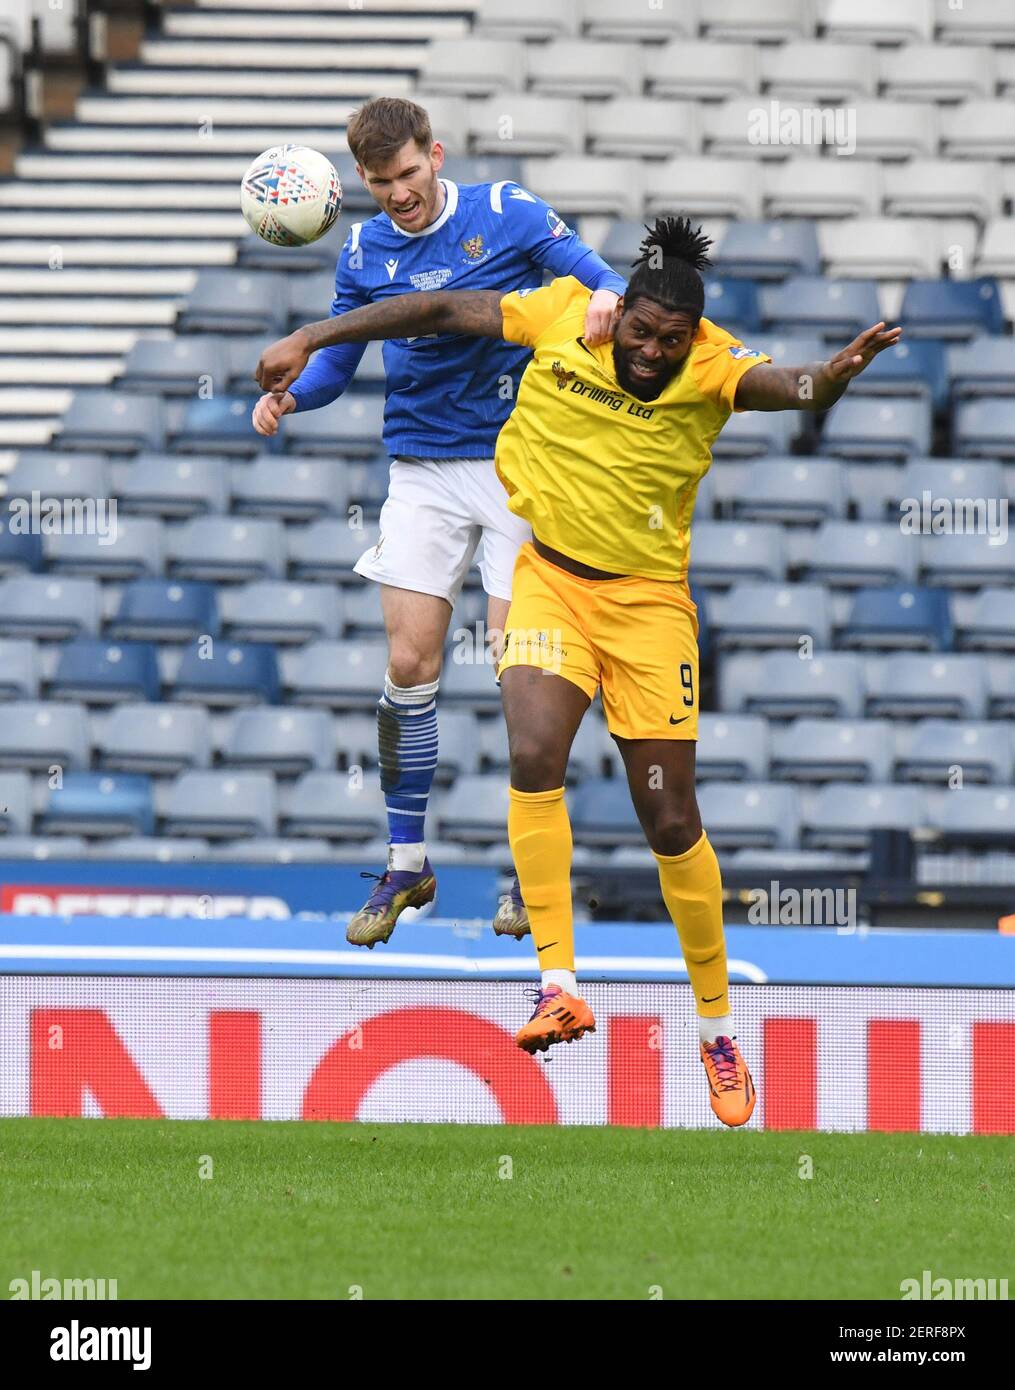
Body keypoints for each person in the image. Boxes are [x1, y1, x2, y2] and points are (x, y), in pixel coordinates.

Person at [256, 216, 902, 1127]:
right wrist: (315, 334)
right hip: (552, 582)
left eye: (669, 342)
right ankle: (556, 982)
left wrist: (831, 376)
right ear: (618, 313)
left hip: (647, 613)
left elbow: (787, 385)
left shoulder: (713, 366)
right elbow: (441, 305)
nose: (650, 352)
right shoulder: (563, 314)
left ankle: (716, 1027)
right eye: (639, 332)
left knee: (669, 819)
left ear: (692, 338)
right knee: (532, 756)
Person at [253, 96, 626, 947]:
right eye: (382, 182)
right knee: (408, 660)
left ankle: (528, 877)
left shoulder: (507, 213)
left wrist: (603, 300)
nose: (399, 195)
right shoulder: (362, 247)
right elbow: (337, 367)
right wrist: (290, 395)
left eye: (411, 174)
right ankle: (406, 861)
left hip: (517, 468)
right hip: (420, 467)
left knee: (516, 673)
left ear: (438, 156)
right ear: (362, 180)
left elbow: (598, 272)